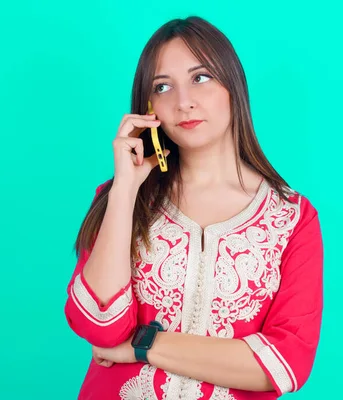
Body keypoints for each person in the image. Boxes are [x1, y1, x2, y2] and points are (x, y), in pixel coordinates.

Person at [64, 16, 324, 400]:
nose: (183, 101)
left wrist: (144, 346)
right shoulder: (121, 195)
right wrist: (125, 189)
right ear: (148, 107)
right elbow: (100, 327)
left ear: (232, 84)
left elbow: (284, 363)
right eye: (163, 86)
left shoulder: (291, 217)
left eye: (200, 77)